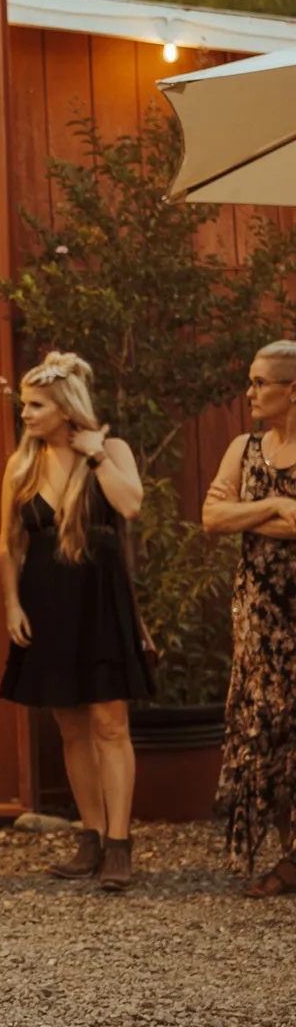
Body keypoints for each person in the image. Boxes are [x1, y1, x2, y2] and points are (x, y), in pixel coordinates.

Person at [0, 351, 149, 890]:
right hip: (46, 604)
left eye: (35, 405)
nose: (26, 414)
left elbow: (131, 505)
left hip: (100, 603)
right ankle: (89, 835)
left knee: (111, 724)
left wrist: (96, 456)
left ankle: (118, 843)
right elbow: (7, 544)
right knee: (70, 725)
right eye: (24, 405)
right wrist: (12, 604)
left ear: (65, 408)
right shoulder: (22, 466)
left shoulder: (109, 450)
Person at [203, 339, 296, 896]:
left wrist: (250, 515)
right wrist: (276, 506)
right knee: (267, 732)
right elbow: (212, 517)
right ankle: (290, 855)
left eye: (261, 382)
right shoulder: (243, 448)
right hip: (260, 621)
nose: (251, 392)